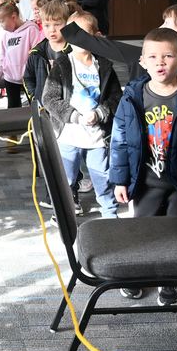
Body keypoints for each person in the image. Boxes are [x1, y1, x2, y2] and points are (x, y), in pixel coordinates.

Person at [110, 27, 177, 298]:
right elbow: (120, 139)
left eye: (167, 56)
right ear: (142, 62)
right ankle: (137, 274)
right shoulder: (133, 97)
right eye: (153, 57)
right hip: (145, 180)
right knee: (143, 230)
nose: (160, 62)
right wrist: (119, 178)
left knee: (176, 231)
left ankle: (169, 280)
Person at [42, 12, 122, 219]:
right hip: (68, 134)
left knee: (102, 175)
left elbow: (115, 97)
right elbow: (49, 98)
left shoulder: (103, 67)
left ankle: (109, 213)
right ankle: (65, 212)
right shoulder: (62, 65)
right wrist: (74, 116)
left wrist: (100, 113)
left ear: (96, 36)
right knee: (66, 177)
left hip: (97, 135)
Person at [23, 0, 79, 103]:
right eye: (47, 25)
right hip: (44, 110)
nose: (52, 29)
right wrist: (35, 98)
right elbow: (28, 78)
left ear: (67, 23)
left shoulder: (75, 50)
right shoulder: (37, 52)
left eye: (57, 24)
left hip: (70, 109)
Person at [0, 0, 42, 109]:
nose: (1, 26)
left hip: (29, 78)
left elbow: (37, 54)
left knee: (34, 107)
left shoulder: (31, 30)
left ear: (13, 17)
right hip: (10, 78)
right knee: (13, 107)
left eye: (2, 21)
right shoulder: (6, 35)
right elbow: (2, 57)